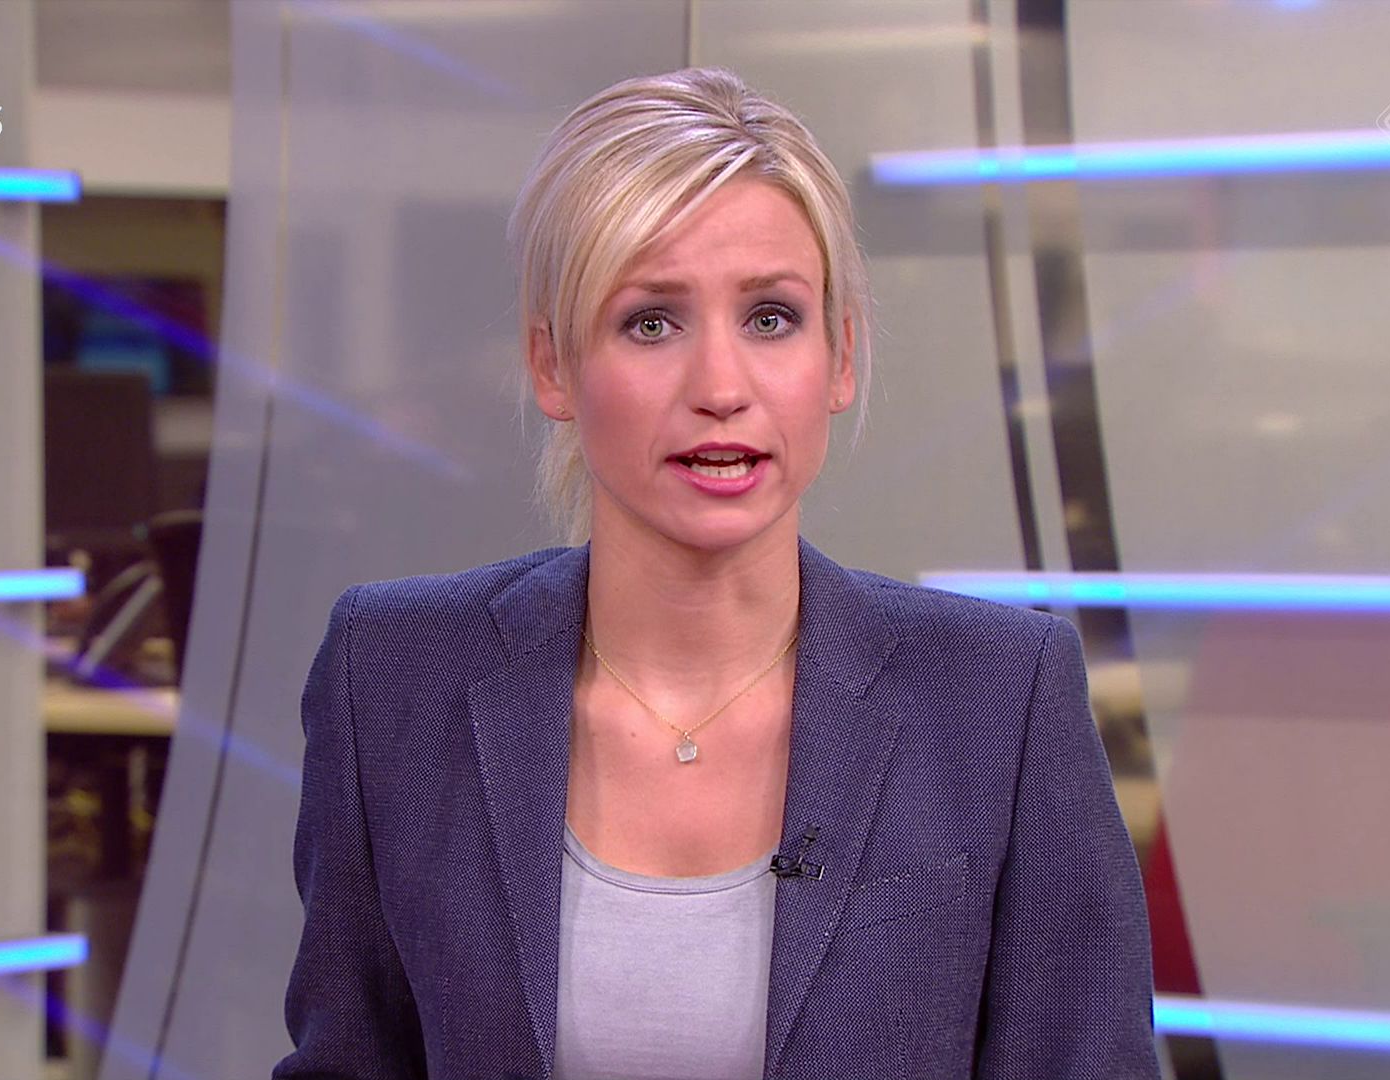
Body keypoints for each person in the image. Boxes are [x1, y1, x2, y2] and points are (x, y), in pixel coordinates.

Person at [275, 66, 1159, 1080]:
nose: (721, 387)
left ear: (840, 356)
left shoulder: (1000, 699)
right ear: (553, 365)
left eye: (771, 317)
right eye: (651, 321)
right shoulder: (393, 676)